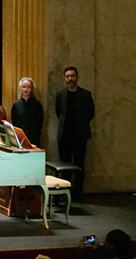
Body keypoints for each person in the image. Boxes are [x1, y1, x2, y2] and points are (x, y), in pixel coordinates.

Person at [55, 66, 95, 200]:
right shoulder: (60, 95)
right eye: (67, 76)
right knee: (64, 165)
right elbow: (58, 112)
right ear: (64, 78)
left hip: (80, 136)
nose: (70, 79)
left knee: (79, 165)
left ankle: (77, 193)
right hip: (64, 136)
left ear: (77, 77)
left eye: (72, 76)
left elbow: (90, 113)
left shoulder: (85, 94)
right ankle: (65, 191)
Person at [10, 77, 43, 147]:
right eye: (24, 87)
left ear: (32, 89)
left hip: (34, 137)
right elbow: (14, 121)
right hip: (20, 137)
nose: (26, 89)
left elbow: (40, 121)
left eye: (28, 87)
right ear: (20, 88)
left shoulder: (37, 104)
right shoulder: (16, 104)